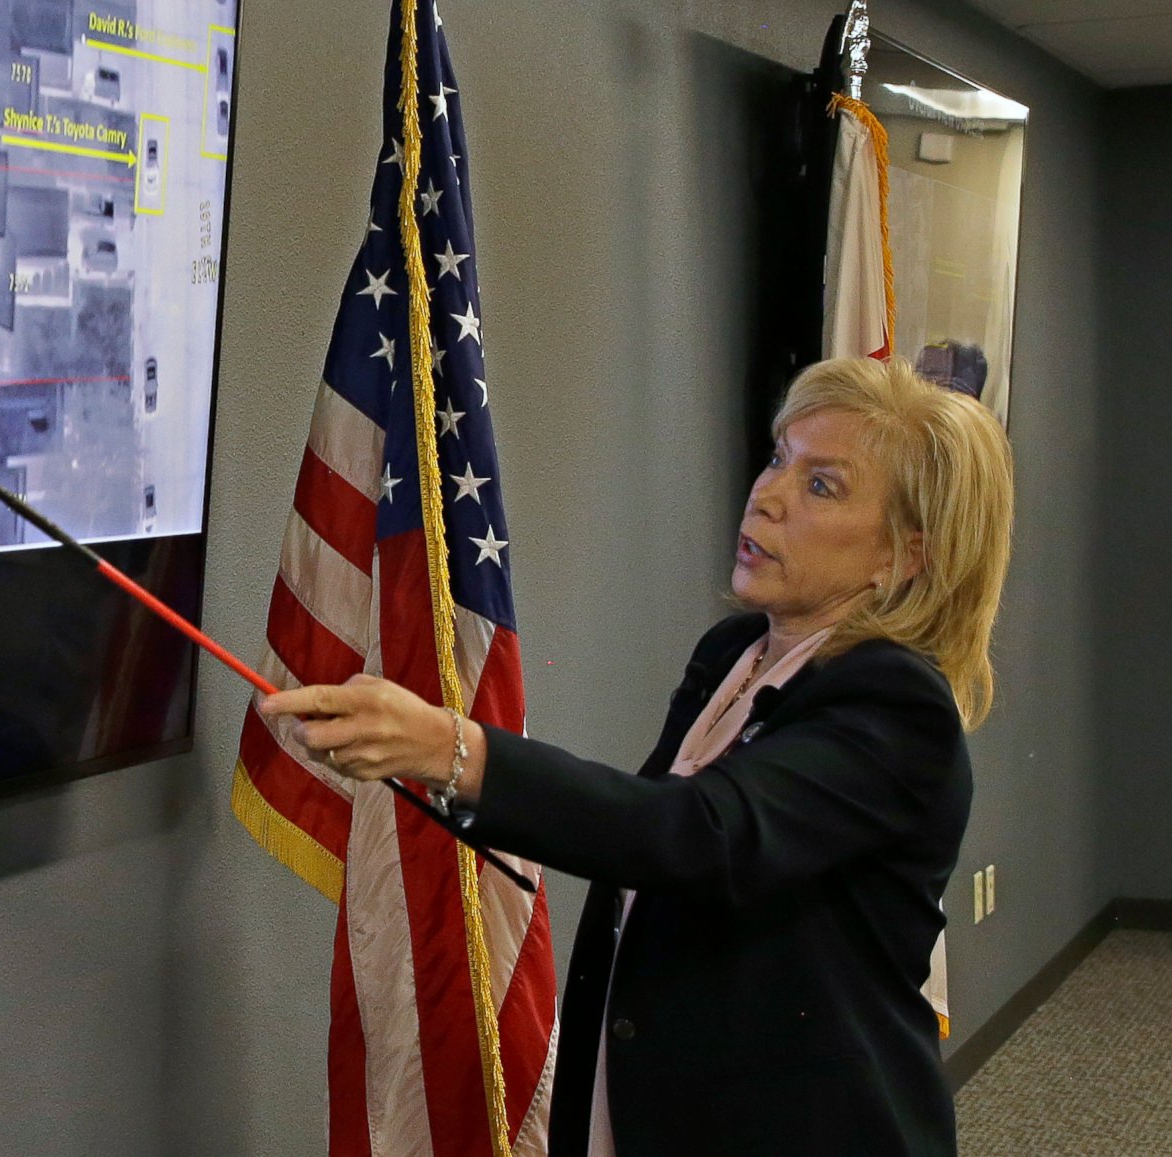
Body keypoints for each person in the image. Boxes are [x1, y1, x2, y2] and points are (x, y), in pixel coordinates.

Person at [263, 356, 1012, 1157]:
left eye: (821, 486)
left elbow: (701, 833)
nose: (767, 495)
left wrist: (455, 749)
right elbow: (643, 853)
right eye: (778, 459)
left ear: (905, 558)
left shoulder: (899, 706)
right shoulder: (736, 652)